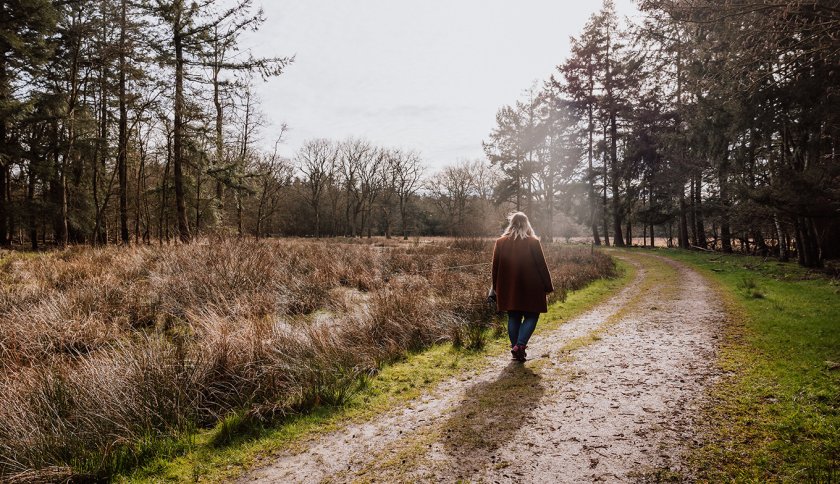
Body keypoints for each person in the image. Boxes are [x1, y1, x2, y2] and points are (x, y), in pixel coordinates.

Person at [489, 212, 553, 362]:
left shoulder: (500, 242)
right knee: (532, 315)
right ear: (526, 224)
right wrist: (548, 286)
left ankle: (516, 348)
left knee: (513, 316)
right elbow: (541, 266)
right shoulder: (533, 242)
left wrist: (496, 288)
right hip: (532, 287)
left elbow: (495, 268)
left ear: (511, 224)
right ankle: (520, 346)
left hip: (509, 287)